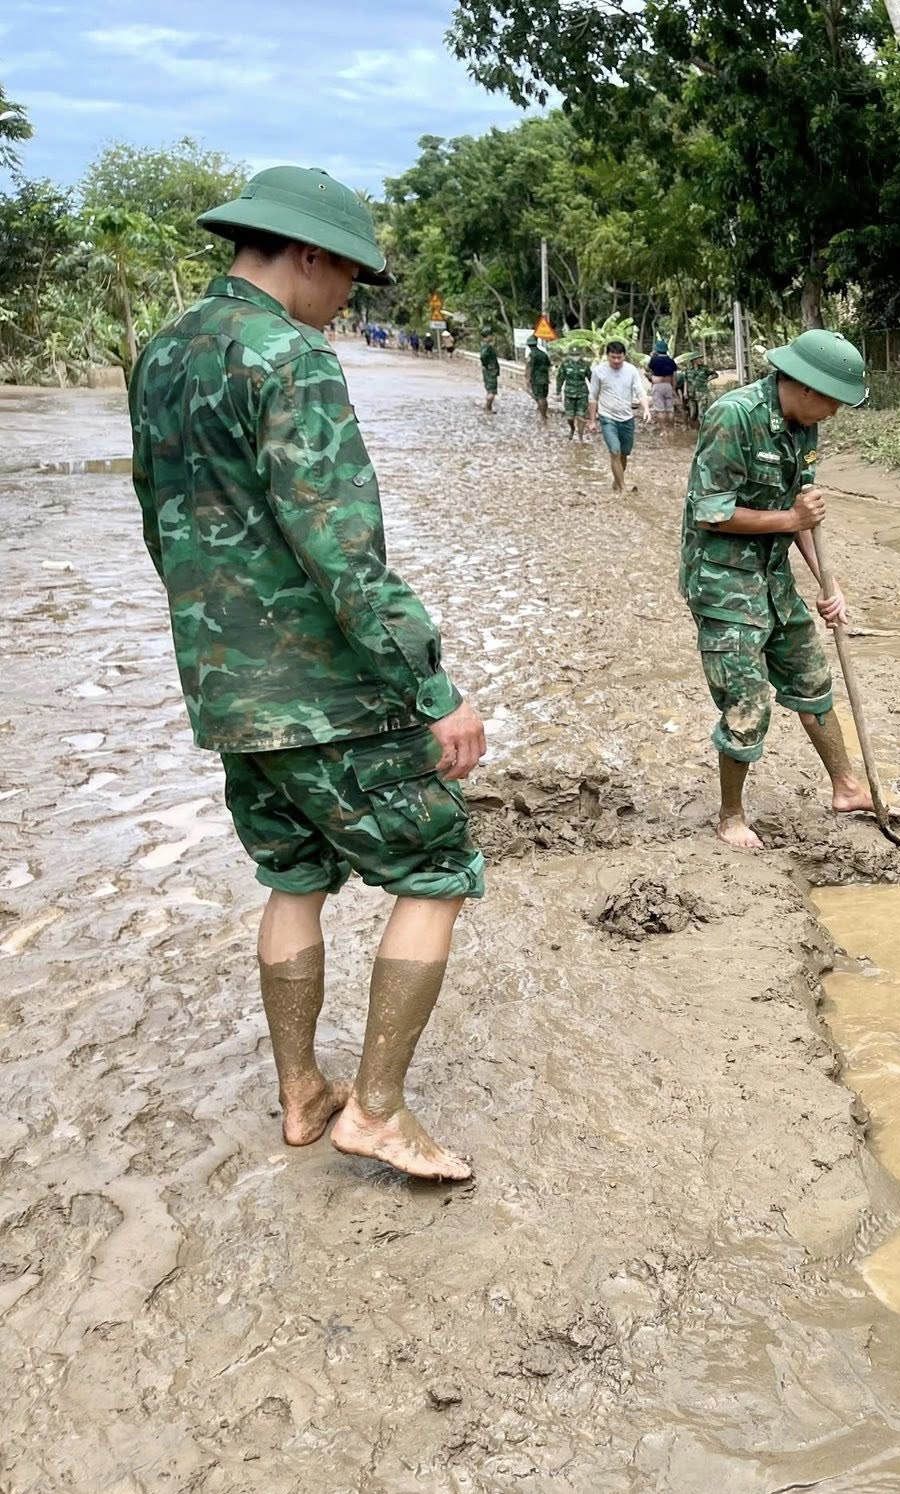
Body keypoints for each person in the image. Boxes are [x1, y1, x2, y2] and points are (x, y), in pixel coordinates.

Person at [129, 165, 487, 1181]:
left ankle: (300, 1095)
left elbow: (163, 523)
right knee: (435, 868)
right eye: (349, 282)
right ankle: (374, 1109)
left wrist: (216, 647)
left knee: (291, 873)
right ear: (309, 254)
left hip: (225, 684)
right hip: (325, 689)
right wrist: (434, 689)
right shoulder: (290, 359)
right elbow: (342, 549)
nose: (347, 305)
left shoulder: (164, 351)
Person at [680, 328, 874, 849]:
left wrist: (828, 585)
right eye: (833, 401)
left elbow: (802, 519)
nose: (835, 413)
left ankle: (847, 787)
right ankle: (730, 815)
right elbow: (711, 512)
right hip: (723, 583)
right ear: (806, 387)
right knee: (748, 703)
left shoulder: (803, 428)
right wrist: (791, 515)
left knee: (813, 679)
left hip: (773, 578)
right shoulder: (734, 415)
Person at [590, 340, 650, 492]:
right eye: (613, 357)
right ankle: (623, 489)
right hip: (607, 417)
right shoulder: (599, 371)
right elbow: (593, 397)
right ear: (607, 356)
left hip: (626, 418)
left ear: (624, 356)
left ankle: (617, 482)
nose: (616, 361)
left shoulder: (631, 370)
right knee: (615, 451)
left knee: (624, 454)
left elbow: (640, 392)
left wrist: (646, 409)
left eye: (619, 357)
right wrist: (592, 421)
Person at [557, 344, 592, 442]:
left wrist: (596, 392)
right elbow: (560, 378)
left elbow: (591, 378)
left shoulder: (585, 365)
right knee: (570, 417)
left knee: (581, 416)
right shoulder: (565, 364)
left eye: (577, 354)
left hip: (582, 393)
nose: (575, 356)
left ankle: (580, 436)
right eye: (573, 354)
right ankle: (572, 428)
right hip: (569, 394)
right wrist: (558, 392)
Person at [647, 338, 678, 426]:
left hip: (657, 386)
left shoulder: (654, 360)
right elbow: (674, 376)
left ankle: (664, 430)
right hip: (668, 385)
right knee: (670, 409)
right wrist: (673, 389)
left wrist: (653, 356)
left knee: (660, 410)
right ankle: (671, 429)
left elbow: (648, 369)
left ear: (657, 350)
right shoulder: (671, 361)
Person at [680, 351, 712, 430]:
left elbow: (714, 374)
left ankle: (703, 430)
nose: (701, 360)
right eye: (699, 358)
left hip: (702, 393)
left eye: (701, 358)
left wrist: (708, 380)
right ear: (694, 360)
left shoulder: (705, 368)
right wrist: (685, 392)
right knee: (693, 414)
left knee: (702, 413)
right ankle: (694, 428)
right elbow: (686, 380)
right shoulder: (688, 370)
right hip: (691, 394)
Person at [527, 337, 552, 426]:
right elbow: (549, 365)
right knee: (544, 396)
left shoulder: (532, 355)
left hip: (536, 379)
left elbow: (529, 367)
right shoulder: (543, 354)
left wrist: (527, 378)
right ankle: (543, 413)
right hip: (545, 378)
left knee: (540, 397)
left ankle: (543, 416)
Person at [479, 334, 500, 412]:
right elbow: (483, 356)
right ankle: (487, 407)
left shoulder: (483, 346)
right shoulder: (487, 347)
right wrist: (486, 364)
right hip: (491, 371)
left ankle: (488, 408)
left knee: (489, 389)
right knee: (492, 391)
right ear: (488, 336)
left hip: (488, 371)